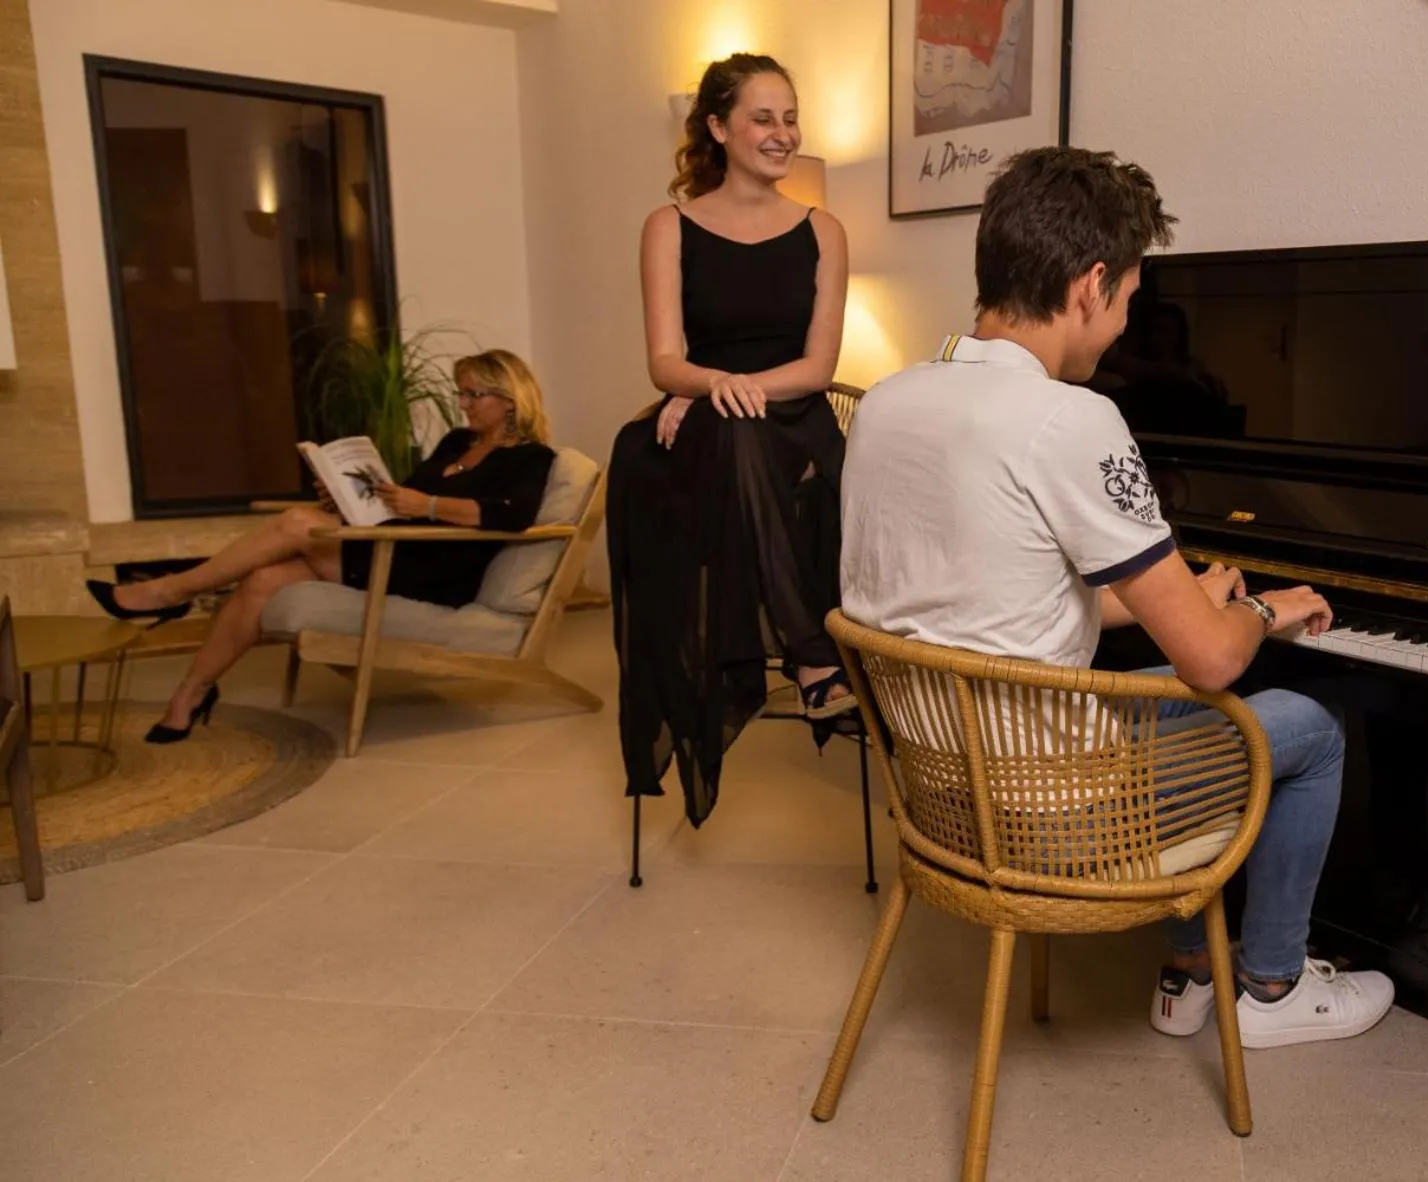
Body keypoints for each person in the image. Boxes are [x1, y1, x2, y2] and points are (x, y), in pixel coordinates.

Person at [840, 146, 1395, 1048]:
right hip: (1054, 825)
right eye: (1130, 301)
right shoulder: (1072, 417)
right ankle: (1271, 987)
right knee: (1309, 720)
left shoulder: (887, 402)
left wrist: (1172, 595)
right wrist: (1256, 610)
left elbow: (980, 602)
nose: (1121, 327)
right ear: (1092, 284)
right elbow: (1210, 658)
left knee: (1148, 712)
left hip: (944, 792)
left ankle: (1184, 975)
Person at [607, 53, 853, 828]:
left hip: (791, 417)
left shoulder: (823, 230)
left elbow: (818, 368)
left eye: (789, 117)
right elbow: (662, 359)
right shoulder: (668, 227)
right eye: (762, 117)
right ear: (717, 127)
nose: (781, 134)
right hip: (709, 428)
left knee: (773, 441)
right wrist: (705, 388)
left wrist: (721, 388)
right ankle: (813, 657)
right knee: (738, 439)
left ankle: (819, 654)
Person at [87, 350, 555, 743]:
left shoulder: (532, 457)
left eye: (474, 394)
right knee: (263, 581)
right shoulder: (457, 443)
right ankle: (191, 693)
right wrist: (352, 496)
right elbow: (404, 501)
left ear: (510, 399)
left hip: (434, 571)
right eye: (461, 392)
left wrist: (427, 504)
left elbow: (512, 515)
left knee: (296, 523)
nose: (463, 403)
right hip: (398, 545)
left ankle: (168, 593)